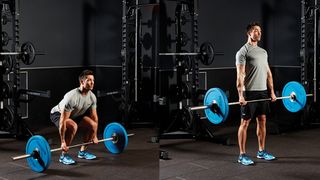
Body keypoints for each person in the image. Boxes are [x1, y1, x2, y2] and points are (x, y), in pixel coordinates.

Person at [235, 22, 277, 166]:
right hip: (249, 92)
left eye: (259, 31)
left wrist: (271, 91)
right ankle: (242, 155)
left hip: (263, 91)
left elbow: (268, 73)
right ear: (249, 33)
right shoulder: (242, 52)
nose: (258, 33)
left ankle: (261, 151)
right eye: (255, 31)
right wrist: (241, 94)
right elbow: (240, 75)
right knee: (245, 123)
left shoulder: (263, 52)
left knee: (262, 120)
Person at [50, 69, 99, 165]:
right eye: (89, 80)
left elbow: (94, 117)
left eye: (93, 80)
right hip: (58, 114)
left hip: (75, 114)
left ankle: (82, 152)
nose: (92, 82)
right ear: (82, 81)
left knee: (93, 125)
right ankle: (63, 156)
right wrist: (63, 141)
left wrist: (95, 135)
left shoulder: (92, 97)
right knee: (73, 126)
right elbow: (63, 121)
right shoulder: (71, 97)